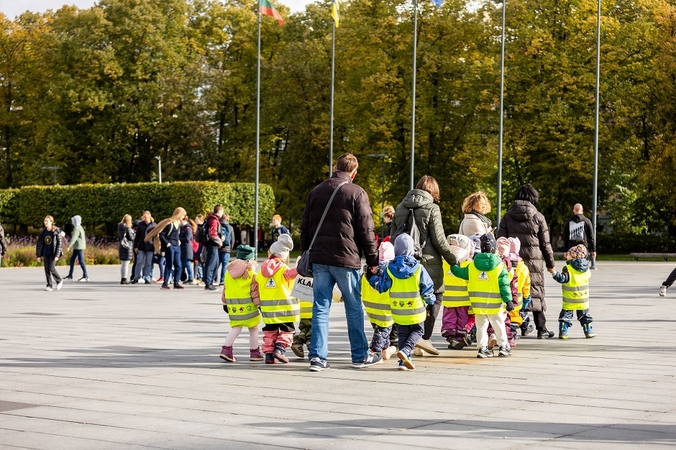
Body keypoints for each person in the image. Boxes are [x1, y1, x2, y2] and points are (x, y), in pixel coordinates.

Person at [300, 152, 381, 372]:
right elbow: (366, 230)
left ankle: (317, 358)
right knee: (353, 307)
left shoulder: (316, 191)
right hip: (347, 259)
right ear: (354, 172)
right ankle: (359, 355)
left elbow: (305, 227)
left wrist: (306, 252)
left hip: (319, 258)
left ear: (335, 167)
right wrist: (373, 260)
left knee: (320, 308)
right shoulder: (357, 193)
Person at [391, 175, 457, 356]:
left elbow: (392, 236)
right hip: (428, 263)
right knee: (435, 296)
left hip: (403, 262)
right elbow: (439, 240)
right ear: (433, 191)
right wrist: (453, 260)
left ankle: (409, 340)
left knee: (411, 298)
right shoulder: (432, 208)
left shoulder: (400, 207)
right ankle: (423, 338)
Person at [368, 234, 436, 370]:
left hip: (398, 311)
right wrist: (431, 301)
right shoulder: (418, 268)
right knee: (418, 330)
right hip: (416, 310)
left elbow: (381, 286)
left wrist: (371, 277)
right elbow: (427, 288)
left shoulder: (389, 269)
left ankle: (403, 361)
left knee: (403, 333)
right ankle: (406, 350)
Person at [497, 184, 556, 339]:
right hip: (533, 262)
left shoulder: (507, 217)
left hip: (512, 263)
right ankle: (541, 329)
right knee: (535, 292)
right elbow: (545, 244)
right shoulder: (538, 217)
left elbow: (500, 240)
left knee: (512, 292)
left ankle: (514, 326)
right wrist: (551, 264)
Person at [451, 234, 514, 358]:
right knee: (498, 324)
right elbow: (504, 285)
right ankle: (503, 346)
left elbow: (460, 272)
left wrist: (454, 265)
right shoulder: (500, 266)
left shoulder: (473, 266)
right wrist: (509, 300)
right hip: (495, 304)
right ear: (494, 249)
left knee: (481, 326)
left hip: (478, 304)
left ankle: (482, 348)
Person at [255, 234, 299, 364]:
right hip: (284, 308)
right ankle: (279, 350)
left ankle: (269, 355)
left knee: (270, 331)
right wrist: (300, 267)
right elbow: (292, 274)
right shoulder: (283, 268)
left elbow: (257, 284)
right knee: (287, 330)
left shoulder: (262, 269)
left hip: (268, 310)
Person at [220, 245, 264, 362]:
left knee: (236, 328)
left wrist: (225, 303)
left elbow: (226, 289)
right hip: (250, 308)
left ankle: (226, 349)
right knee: (253, 329)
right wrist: (259, 305)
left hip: (233, 308)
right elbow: (255, 292)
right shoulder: (251, 274)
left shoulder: (228, 274)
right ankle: (254, 352)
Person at [361, 241, 397, 362]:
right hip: (386, 309)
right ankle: (375, 352)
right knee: (382, 331)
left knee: (380, 330)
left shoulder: (368, 271)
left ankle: (385, 349)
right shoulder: (392, 272)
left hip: (370, 308)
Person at [552, 244, 596, 339]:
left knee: (565, 317)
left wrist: (554, 273)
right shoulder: (587, 269)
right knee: (585, 316)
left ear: (573, 255)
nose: (566, 255)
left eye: (568, 254)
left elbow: (563, 279)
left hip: (570, 300)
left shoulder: (568, 268)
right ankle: (588, 330)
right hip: (583, 300)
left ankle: (563, 331)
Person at [441, 234, 473, 350]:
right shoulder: (468, 264)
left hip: (448, 298)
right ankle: (460, 337)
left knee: (449, 317)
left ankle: (450, 335)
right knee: (462, 319)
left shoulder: (444, 263)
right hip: (464, 299)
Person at [145, 207, 187, 290]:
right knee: (169, 264)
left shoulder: (178, 224)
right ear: (178, 214)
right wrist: (167, 243)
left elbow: (176, 235)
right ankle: (165, 283)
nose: (183, 217)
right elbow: (162, 234)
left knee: (178, 265)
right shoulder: (170, 224)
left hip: (177, 246)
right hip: (170, 246)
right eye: (182, 215)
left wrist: (178, 240)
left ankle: (176, 282)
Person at [36, 215, 64, 292]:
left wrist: (57, 255)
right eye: (45, 221)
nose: (45, 222)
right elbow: (40, 243)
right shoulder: (43, 231)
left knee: (51, 268)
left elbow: (59, 244)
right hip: (46, 253)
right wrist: (38, 255)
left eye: (47, 221)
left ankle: (59, 280)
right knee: (46, 269)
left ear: (51, 222)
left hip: (53, 253)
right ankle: (49, 285)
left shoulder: (56, 231)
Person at [204, 205, 224, 291]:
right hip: (213, 245)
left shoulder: (212, 219)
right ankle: (208, 283)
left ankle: (209, 282)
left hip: (212, 244)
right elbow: (212, 233)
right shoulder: (214, 220)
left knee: (214, 264)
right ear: (219, 211)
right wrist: (219, 241)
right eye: (222, 211)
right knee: (212, 264)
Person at [65, 215, 88, 282]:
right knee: (72, 260)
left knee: (81, 261)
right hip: (77, 246)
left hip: (79, 247)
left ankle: (85, 276)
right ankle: (70, 275)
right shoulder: (79, 227)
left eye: (73, 221)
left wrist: (69, 246)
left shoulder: (77, 228)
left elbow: (74, 238)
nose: (72, 222)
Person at [133, 211, 154, 284]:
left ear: (149, 216)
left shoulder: (154, 225)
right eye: (143, 216)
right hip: (141, 246)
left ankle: (146, 277)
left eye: (145, 217)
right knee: (139, 262)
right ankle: (136, 277)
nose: (143, 218)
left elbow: (156, 237)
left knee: (148, 263)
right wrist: (135, 246)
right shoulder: (140, 225)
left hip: (150, 246)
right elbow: (137, 236)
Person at [118, 214, 136, 284]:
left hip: (122, 245)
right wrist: (134, 233)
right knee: (126, 263)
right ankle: (124, 278)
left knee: (123, 263)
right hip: (127, 247)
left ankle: (123, 277)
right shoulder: (127, 228)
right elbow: (131, 238)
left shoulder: (120, 227)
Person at [218, 213, 234, 285]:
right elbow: (232, 239)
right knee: (225, 265)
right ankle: (222, 280)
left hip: (218, 247)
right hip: (226, 249)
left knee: (216, 265)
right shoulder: (230, 227)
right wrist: (230, 248)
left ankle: (213, 279)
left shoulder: (219, 225)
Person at [180, 216, 196, 284]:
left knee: (187, 263)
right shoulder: (183, 228)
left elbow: (187, 238)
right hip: (184, 248)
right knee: (184, 263)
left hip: (187, 248)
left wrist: (178, 238)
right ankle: (185, 277)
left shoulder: (188, 228)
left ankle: (191, 278)